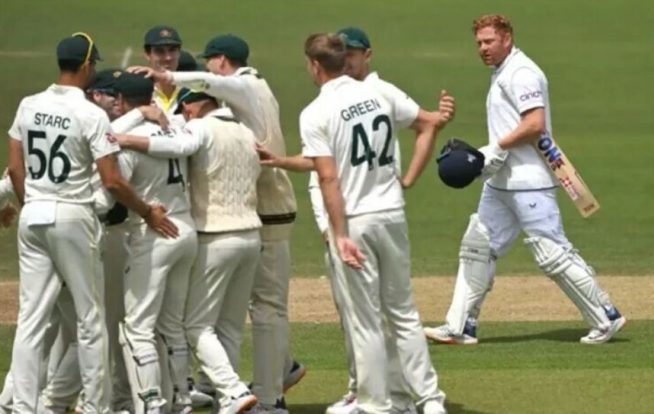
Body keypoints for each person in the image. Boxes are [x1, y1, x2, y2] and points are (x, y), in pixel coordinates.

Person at [423, 14, 625, 346]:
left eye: (489, 41)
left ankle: (606, 317)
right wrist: (493, 155)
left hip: (530, 181)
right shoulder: (502, 72)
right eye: (479, 43)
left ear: (507, 38)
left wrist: (497, 147)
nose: (483, 48)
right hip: (500, 183)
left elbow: (535, 124)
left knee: (552, 252)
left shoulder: (523, 73)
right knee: (477, 248)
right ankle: (460, 326)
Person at [130, 33, 304, 411]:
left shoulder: (245, 85)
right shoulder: (240, 111)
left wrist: (168, 80)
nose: (207, 68)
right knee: (234, 316)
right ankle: (257, 384)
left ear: (222, 60)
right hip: (254, 216)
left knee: (261, 311)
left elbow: (210, 94)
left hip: (258, 213)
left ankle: (266, 395)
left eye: (210, 61)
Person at [6, 32, 177, 413]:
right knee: (91, 320)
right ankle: (97, 407)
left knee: (31, 320)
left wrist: (30, 203)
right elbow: (113, 180)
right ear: (85, 65)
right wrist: (148, 211)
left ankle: (21, 406)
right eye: (94, 65)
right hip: (73, 215)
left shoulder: (28, 104)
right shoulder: (90, 113)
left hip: (33, 212)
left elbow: (16, 169)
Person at [300, 32, 447, 414]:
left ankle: (376, 405)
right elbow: (428, 122)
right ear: (344, 60)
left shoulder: (316, 112)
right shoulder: (379, 92)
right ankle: (429, 401)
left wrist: (340, 233)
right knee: (404, 312)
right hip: (392, 213)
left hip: (357, 220)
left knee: (365, 320)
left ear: (315, 65)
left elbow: (327, 178)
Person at [117, 89, 263, 413]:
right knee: (227, 329)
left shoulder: (199, 128)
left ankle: (231, 390)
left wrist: (125, 139)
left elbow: (179, 145)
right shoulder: (243, 128)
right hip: (251, 235)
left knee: (195, 327)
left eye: (187, 105)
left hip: (214, 237)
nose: (185, 111)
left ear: (199, 103)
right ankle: (191, 398)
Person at [107, 73, 198, 414]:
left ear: (122, 101)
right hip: (185, 229)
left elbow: (112, 191)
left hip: (153, 234)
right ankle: (182, 400)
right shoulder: (174, 129)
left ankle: (150, 403)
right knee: (172, 324)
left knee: (136, 329)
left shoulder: (127, 140)